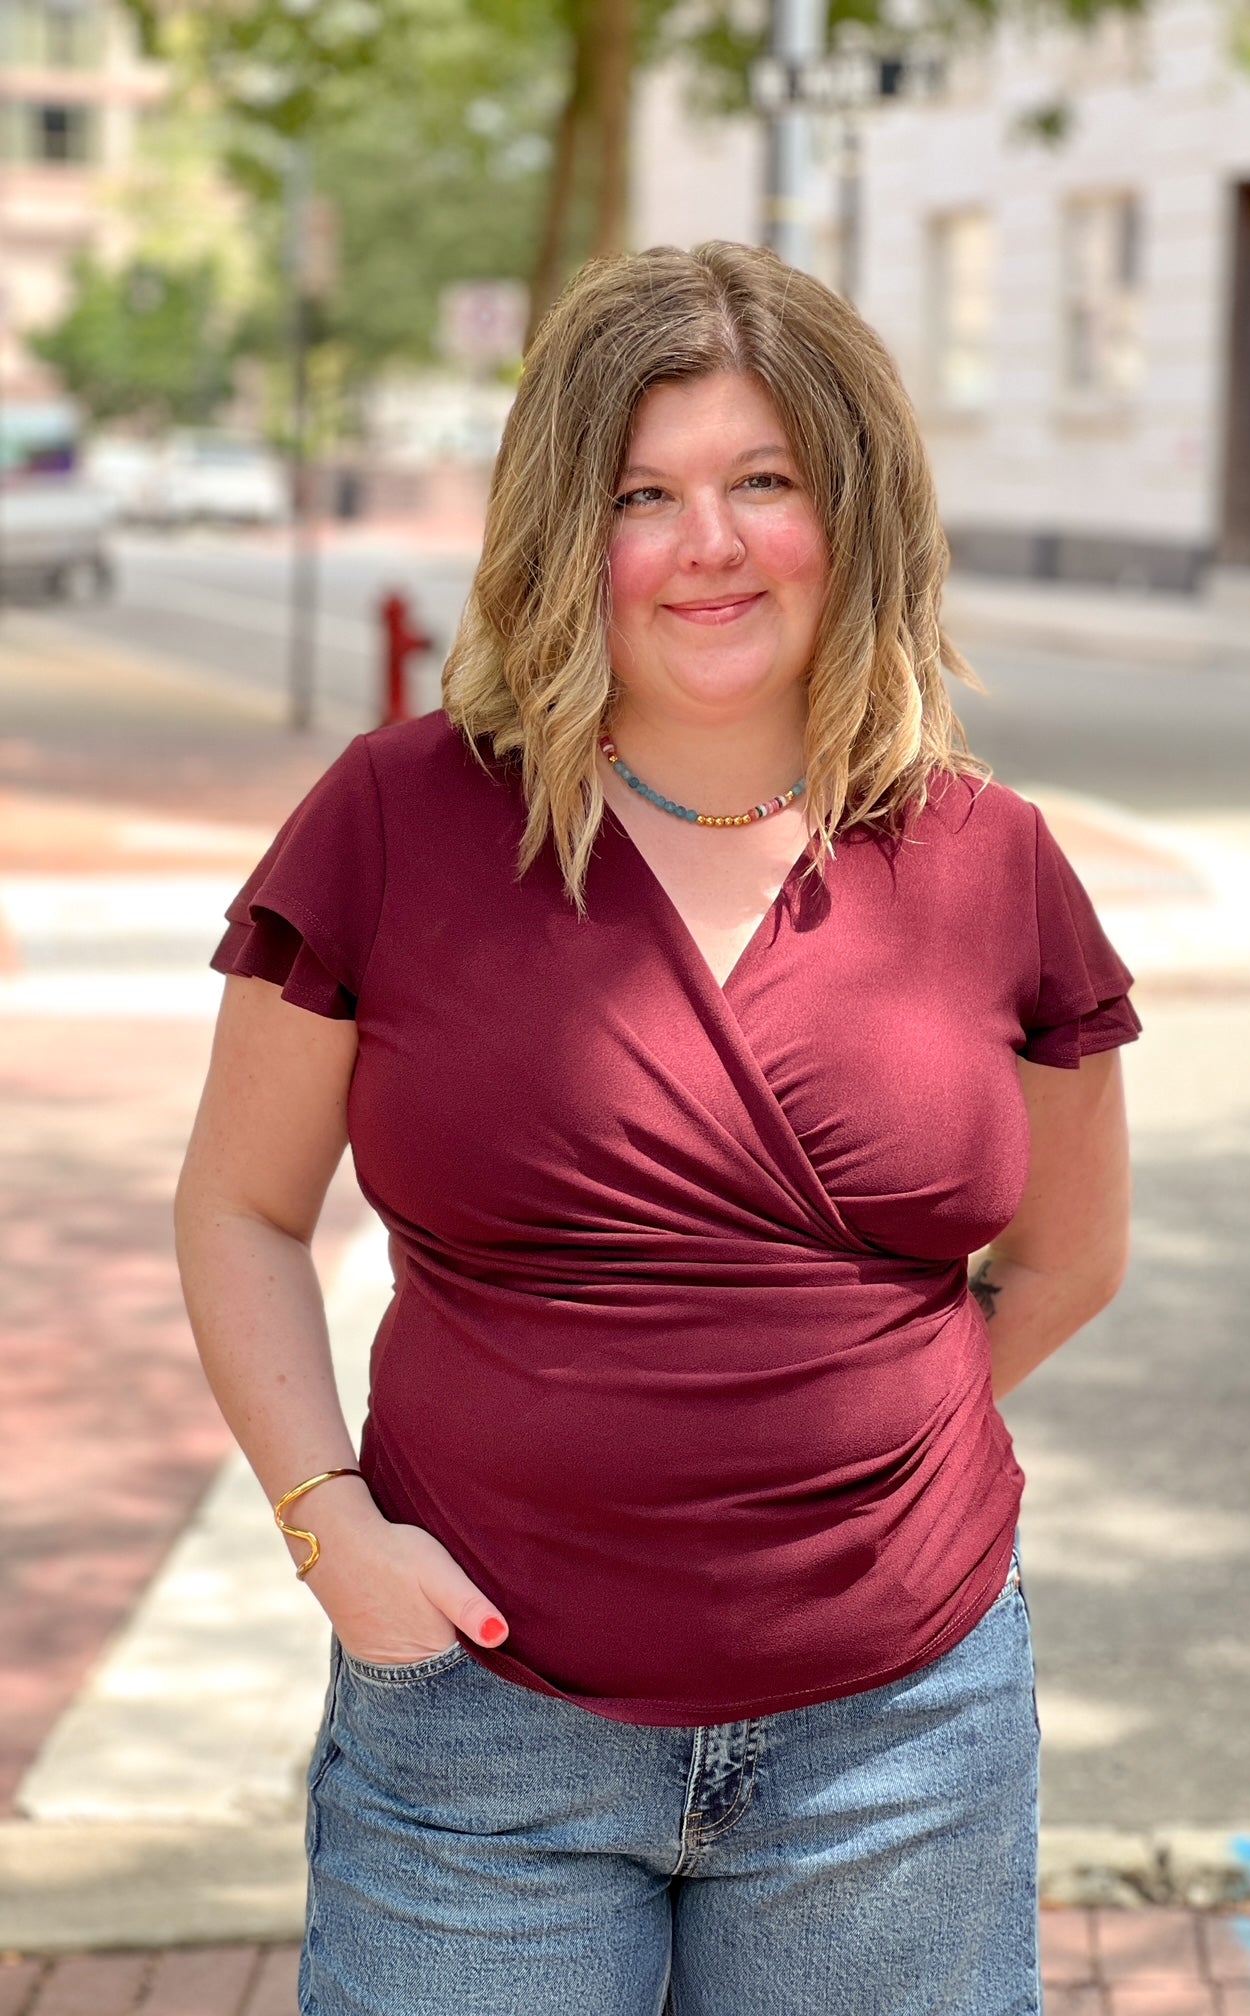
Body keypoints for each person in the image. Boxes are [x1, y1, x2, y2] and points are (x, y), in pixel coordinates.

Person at [176, 240, 1138, 2016]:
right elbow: (239, 1208)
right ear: (568, 528)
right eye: (645, 493)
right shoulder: (400, 817)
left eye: (762, 481)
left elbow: (1069, 1255)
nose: (710, 543)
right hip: (480, 1734)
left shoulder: (987, 856)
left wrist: (838, 1461)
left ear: (849, 512)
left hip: (899, 1741)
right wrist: (331, 1529)